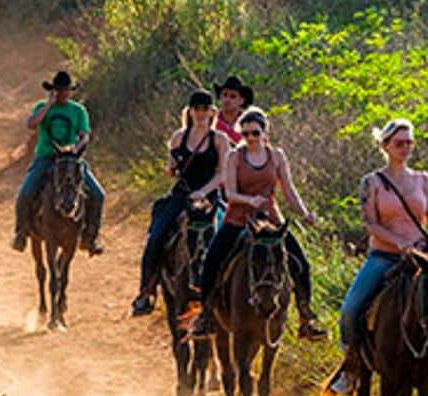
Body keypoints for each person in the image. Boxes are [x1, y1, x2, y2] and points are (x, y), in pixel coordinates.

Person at [324, 118, 428, 396]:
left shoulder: (423, 179)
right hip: (384, 256)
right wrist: (400, 244)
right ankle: (350, 368)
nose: (406, 147)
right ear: (386, 146)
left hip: (424, 257)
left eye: (409, 142)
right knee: (351, 308)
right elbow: (371, 223)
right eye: (400, 143)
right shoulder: (372, 182)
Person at [189, 106, 327, 340]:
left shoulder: (277, 156)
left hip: (271, 220)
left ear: (265, 133)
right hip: (239, 219)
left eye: (254, 133)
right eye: (245, 134)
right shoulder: (235, 157)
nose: (250, 138)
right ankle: (206, 315)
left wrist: (305, 214)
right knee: (212, 260)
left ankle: (306, 315)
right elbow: (230, 193)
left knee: (300, 263)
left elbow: (289, 191)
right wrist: (250, 200)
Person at [129, 89, 230, 317]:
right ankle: (146, 291)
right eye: (197, 109)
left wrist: (204, 191)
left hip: (210, 196)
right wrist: (172, 168)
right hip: (182, 195)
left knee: (226, 237)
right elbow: (171, 170)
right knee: (157, 236)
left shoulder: (219, 140)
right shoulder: (178, 137)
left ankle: (230, 292)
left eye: (205, 109)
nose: (201, 114)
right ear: (190, 111)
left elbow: (223, 174)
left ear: (212, 112)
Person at [12, 70, 105, 254]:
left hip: (71, 159)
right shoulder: (42, 106)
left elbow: (85, 135)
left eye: (66, 90)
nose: (63, 94)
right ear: (53, 91)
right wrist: (48, 105)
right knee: (25, 192)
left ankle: (90, 237)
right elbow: (31, 124)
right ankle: (21, 233)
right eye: (59, 90)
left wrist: (76, 149)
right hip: (46, 157)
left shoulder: (78, 111)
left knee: (98, 194)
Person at [212, 75, 253, 144]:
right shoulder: (211, 121)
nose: (227, 100)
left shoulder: (251, 123)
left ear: (242, 100)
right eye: (225, 95)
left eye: (232, 96)